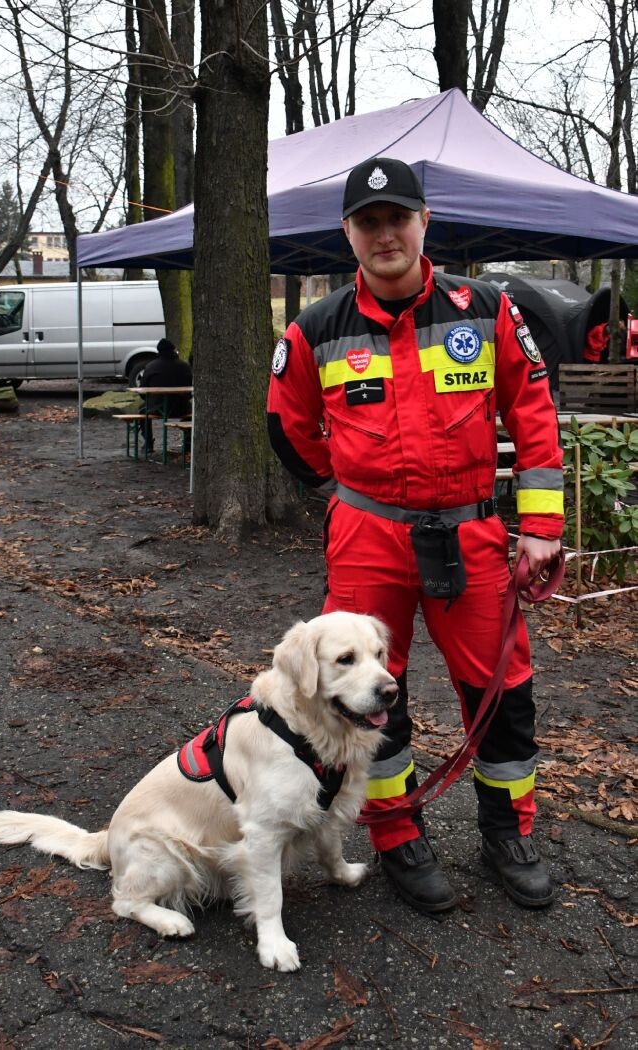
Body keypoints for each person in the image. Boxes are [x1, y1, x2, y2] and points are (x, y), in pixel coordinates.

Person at [266, 157, 564, 915]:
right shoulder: (315, 329)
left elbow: (533, 419)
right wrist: (344, 495)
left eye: (399, 217)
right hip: (367, 540)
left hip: (470, 531)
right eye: (369, 222)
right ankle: (397, 837)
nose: (385, 233)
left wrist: (540, 530)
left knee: (502, 692)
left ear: (425, 222)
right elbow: (289, 428)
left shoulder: (486, 309)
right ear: (348, 235)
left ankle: (507, 833)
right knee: (368, 699)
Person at [137, 338, 192, 453]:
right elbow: (190, 389)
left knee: (142, 410)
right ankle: (188, 443)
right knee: (192, 412)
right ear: (173, 350)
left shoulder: (151, 366)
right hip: (182, 407)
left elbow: (142, 389)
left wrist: (149, 400)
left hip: (157, 408)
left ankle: (148, 443)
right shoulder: (184, 366)